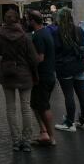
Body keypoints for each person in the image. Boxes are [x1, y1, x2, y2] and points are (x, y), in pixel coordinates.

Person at [0, 10, 39, 153]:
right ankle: (26, 141)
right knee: (26, 108)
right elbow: (33, 58)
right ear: (18, 20)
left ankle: (16, 140)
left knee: (10, 109)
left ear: (5, 20)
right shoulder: (25, 36)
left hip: (7, 73)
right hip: (24, 74)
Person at [53, 7, 84, 131]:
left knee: (69, 95)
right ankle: (83, 121)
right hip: (79, 65)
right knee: (82, 94)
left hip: (65, 67)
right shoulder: (78, 30)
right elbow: (83, 45)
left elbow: (56, 49)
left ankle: (69, 123)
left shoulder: (57, 31)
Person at [29, 10, 57, 146]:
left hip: (43, 76)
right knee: (35, 104)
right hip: (48, 74)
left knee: (44, 107)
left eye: (29, 20)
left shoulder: (39, 36)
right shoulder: (46, 32)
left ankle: (50, 136)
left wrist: (28, 61)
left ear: (32, 21)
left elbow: (40, 57)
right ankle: (43, 132)